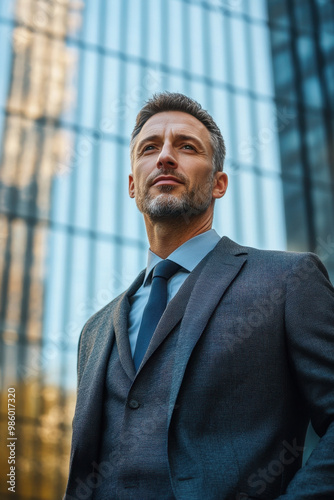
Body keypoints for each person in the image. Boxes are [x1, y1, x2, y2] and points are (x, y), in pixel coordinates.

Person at [64, 92, 334, 500]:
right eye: (149, 148)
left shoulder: (288, 280)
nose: (166, 157)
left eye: (186, 147)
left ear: (218, 184)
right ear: (133, 184)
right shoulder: (94, 330)